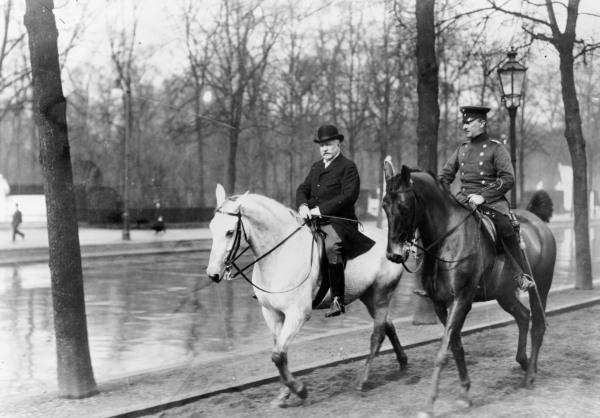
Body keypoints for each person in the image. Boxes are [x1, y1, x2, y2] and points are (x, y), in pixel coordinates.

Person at [439, 105, 534, 290]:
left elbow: (508, 178)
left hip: (491, 203)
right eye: (463, 123)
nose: (465, 126)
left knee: (505, 228)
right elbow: (445, 176)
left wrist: (483, 196)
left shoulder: (495, 149)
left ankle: (520, 275)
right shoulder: (462, 149)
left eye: (469, 122)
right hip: (463, 201)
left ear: (482, 123)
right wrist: (436, 189)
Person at [297, 124, 375, 317]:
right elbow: (302, 189)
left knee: (332, 246)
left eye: (329, 144)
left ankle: (337, 299)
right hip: (314, 220)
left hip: (340, 221)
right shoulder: (316, 167)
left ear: (338, 144)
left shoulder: (348, 167)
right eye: (322, 145)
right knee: (289, 239)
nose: (325, 149)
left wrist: (320, 210)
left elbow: (348, 196)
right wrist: (303, 206)